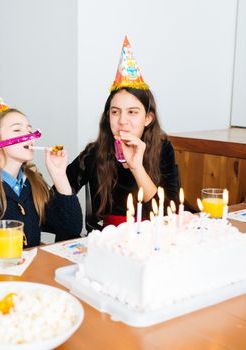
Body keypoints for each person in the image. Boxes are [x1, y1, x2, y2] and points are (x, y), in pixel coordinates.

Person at [66, 36, 179, 228]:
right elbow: (55, 208)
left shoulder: (163, 149)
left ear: (148, 118)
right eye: (115, 112)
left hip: (153, 239)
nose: (122, 121)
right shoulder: (93, 153)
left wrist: (137, 167)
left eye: (132, 112)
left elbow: (170, 213)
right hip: (106, 243)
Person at [0, 85, 82, 258]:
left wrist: (59, 175)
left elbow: (70, 229)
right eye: (17, 130)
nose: (29, 135)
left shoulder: (33, 183)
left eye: (29, 129)